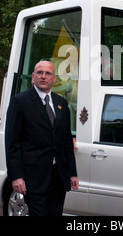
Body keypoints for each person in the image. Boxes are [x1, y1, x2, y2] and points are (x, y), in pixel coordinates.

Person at [5, 60, 78, 216]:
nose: (43, 76)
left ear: (54, 78)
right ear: (33, 77)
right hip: (33, 176)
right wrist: (16, 176)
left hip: (58, 176)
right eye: (39, 73)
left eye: (48, 73)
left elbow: (66, 140)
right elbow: (12, 143)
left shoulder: (61, 103)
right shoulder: (20, 101)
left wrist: (72, 172)